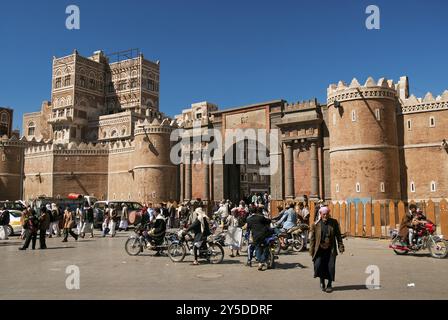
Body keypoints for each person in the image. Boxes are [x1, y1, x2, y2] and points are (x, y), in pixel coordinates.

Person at [309, 206, 344, 293]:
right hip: (319, 250)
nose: (325, 216)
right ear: (320, 214)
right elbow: (312, 239)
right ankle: (322, 281)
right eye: (324, 214)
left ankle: (329, 284)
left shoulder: (334, 222)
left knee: (330, 267)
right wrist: (311, 251)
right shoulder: (315, 224)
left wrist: (341, 246)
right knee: (319, 265)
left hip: (330, 249)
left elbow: (338, 235)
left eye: (327, 214)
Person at [246, 206, 273, 271]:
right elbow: (268, 221)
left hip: (255, 236)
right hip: (264, 235)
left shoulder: (248, 219)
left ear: (250, 212)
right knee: (266, 247)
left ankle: (260, 263)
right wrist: (270, 219)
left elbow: (248, 228)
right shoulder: (260, 217)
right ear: (256, 211)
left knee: (257, 248)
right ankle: (263, 260)